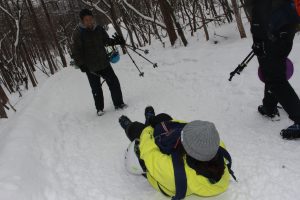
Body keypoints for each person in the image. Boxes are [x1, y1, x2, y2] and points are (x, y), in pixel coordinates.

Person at [119, 106, 236, 199]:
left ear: (187, 148)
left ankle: (131, 126)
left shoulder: (171, 170)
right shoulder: (215, 144)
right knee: (164, 117)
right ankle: (150, 120)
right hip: (182, 164)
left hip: (161, 175)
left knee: (138, 130)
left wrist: (148, 128)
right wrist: (168, 122)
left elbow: (149, 152)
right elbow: (185, 126)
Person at [244, 0, 300, 139]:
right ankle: (269, 106)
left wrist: (257, 39)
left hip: (271, 30)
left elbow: (259, 10)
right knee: (272, 69)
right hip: (287, 25)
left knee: (275, 78)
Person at [71, 9, 127, 116]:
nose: (89, 22)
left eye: (90, 19)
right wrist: (81, 64)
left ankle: (119, 103)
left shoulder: (99, 29)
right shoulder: (78, 33)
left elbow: (106, 41)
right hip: (90, 67)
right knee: (96, 88)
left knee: (114, 82)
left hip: (104, 62)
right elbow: (75, 51)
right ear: (82, 21)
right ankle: (99, 109)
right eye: (86, 20)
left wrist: (116, 41)